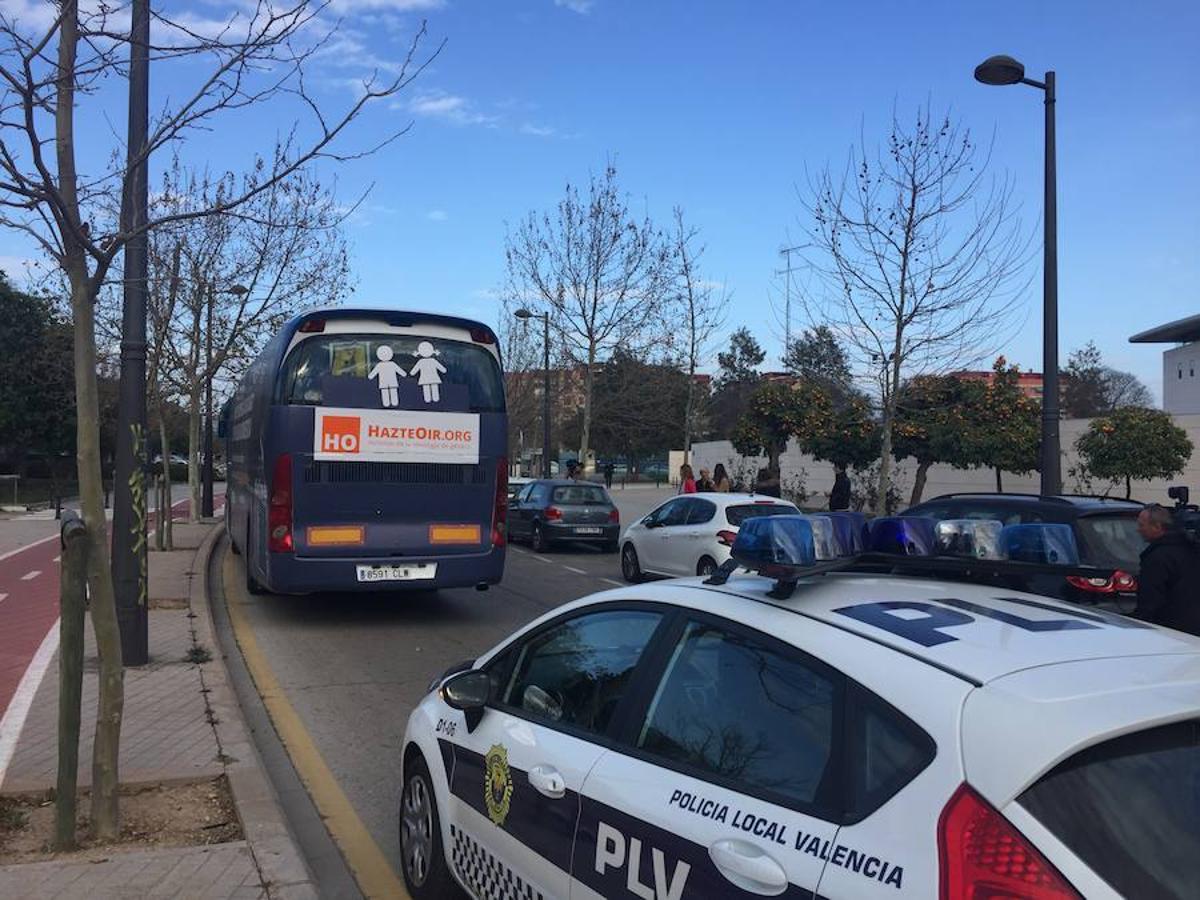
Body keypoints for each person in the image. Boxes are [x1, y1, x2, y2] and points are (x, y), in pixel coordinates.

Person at [1134, 504, 1200, 635]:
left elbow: (1150, 601)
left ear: (1157, 527)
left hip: (1168, 630)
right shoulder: (1191, 550)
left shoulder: (1157, 558)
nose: (1138, 530)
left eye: (1142, 525)